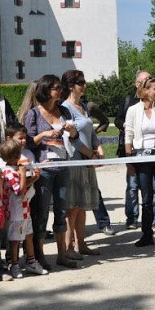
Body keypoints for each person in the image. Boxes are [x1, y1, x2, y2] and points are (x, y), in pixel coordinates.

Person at [25, 74, 79, 269]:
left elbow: (74, 137)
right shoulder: (33, 114)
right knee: (41, 213)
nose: (60, 90)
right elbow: (28, 142)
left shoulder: (64, 110)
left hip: (63, 166)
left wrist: (71, 131)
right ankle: (39, 257)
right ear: (46, 90)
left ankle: (62, 255)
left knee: (61, 210)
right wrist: (45, 134)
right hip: (44, 169)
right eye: (56, 87)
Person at [124, 76, 155, 249]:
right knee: (145, 198)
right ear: (145, 91)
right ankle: (147, 235)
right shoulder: (133, 110)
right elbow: (128, 134)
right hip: (142, 158)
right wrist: (129, 160)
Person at [61, 70, 103, 258]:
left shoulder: (82, 106)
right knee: (73, 206)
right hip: (75, 159)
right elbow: (72, 138)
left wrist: (98, 147)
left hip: (87, 159)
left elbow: (91, 131)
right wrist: (90, 154)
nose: (84, 85)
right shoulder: (65, 108)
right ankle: (69, 247)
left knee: (83, 204)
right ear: (71, 86)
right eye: (80, 82)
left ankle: (82, 244)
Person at [0, 139, 46, 278]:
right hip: (15, 213)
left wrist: (34, 178)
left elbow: (23, 187)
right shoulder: (8, 172)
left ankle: (31, 261)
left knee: (29, 236)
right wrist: (23, 174)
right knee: (15, 240)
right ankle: (14, 265)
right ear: (14, 157)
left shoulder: (16, 169)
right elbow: (19, 191)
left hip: (25, 210)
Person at [115, 70, 151, 230]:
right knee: (132, 184)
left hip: (150, 149)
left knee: (153, 185)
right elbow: (117, 119)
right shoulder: (128, 100)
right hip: (131, 148)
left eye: (150, 79)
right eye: (145, 80)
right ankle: (132, 218)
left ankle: (154, 217)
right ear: (137, 84)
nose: (149, 82)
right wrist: (125, 125)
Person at [85, 98, 115, 236]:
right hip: (71, 153)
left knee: (93, 189)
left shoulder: (88, 106)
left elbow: (105, 121)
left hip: (87, 153)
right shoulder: (62, 105)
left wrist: (93, 135)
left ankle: (104, 223)